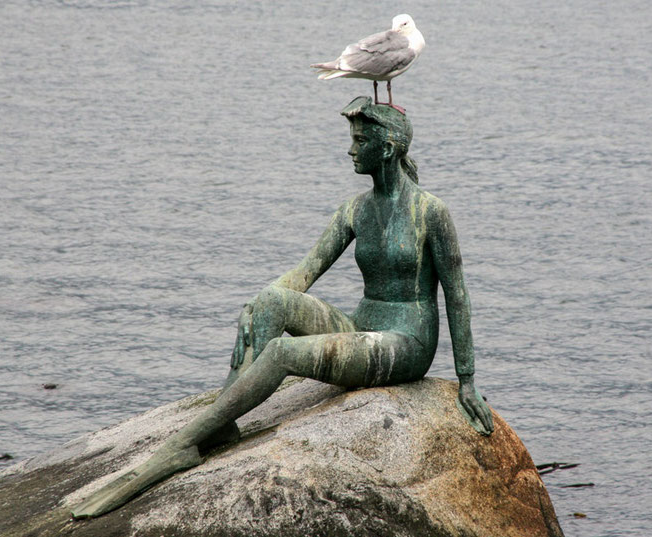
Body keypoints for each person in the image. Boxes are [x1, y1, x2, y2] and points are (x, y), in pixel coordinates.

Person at [72, 96, 494, 519]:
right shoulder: (356, 209)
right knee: (273, 301)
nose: (350, 149)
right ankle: (220, 427)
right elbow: (304, 273)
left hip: (406, 342)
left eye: (359, 140)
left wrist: (467, 378)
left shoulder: (431, 212)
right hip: (361, 326)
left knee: (281, 353)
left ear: (386, 148)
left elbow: (457, 295)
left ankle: (179, 447)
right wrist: (255, 307)